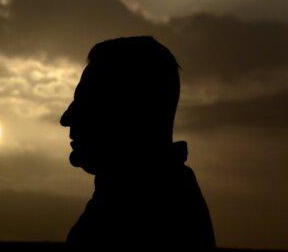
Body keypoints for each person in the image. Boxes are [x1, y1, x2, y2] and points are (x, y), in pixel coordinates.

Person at [60, 36, 216, 249]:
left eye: (87, 103)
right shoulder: (157, 197)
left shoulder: (137, 209)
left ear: (128, 113)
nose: (66, 118)